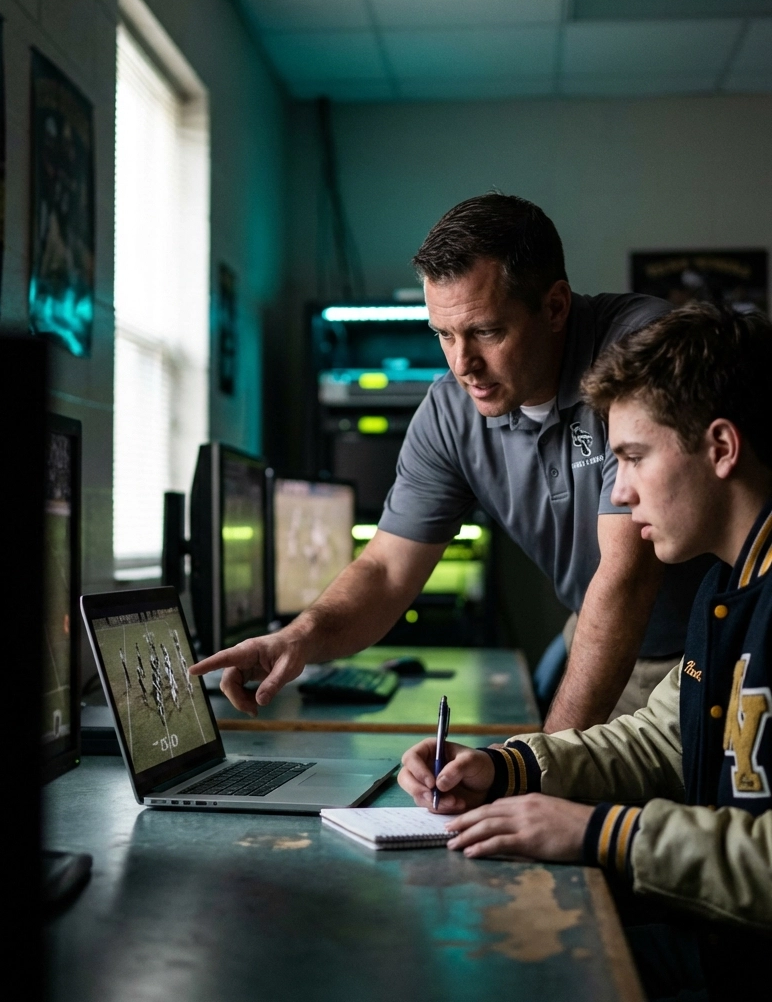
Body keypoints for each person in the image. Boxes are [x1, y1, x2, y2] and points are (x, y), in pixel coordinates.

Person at [191, 193, 709, 731]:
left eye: (487, 331)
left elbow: (626, 578)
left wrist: (539, 766)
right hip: (599, 633)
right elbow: (386, 570)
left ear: (555, 307)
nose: (464, 365)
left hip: (705, 645)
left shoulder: (641, 352)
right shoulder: (451, 410)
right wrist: (298, 637)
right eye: (443, 335)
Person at [398, 303, 772, 994]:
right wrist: (505, 768)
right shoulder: (726, 586)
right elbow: (659, 742)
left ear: (720, 448)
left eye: (633, 457)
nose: (620, 493)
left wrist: (598, 833)